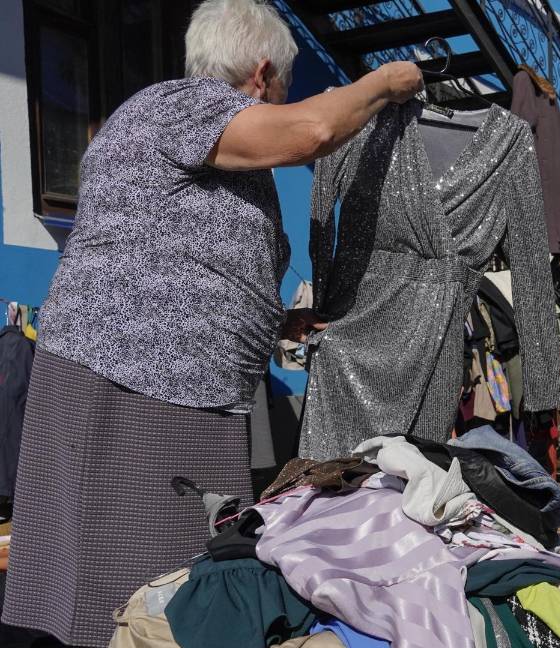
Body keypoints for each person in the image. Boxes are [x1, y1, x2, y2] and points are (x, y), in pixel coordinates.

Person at [1, 1, 423, 645]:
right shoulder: (185, 105)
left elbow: (181, 250)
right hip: (136, 380)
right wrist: (383, 83)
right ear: (262, 73)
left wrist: (273, 319)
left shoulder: (198, 135)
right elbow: (313, 130)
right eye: (283, 85)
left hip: (164, 381)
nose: (282, 97)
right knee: (142, 567)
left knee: (163, 563)